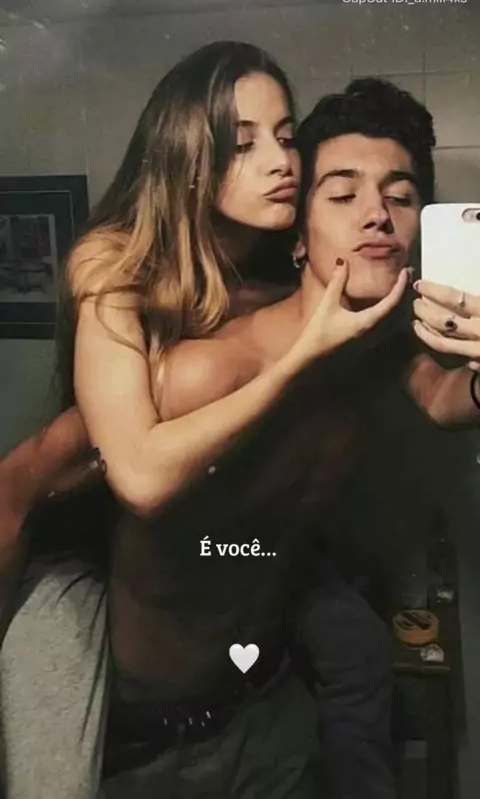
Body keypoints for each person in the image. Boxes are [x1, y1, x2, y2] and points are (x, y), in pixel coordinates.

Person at [0, 45, 409, 799]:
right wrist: (298, 360)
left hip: (235, 635)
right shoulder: (116, 265)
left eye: (284, 136)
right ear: (189, 159)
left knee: (351, 642)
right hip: (87, 532)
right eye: (242, 143)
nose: (280, 161)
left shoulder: (277, 262)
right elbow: (137, 476)